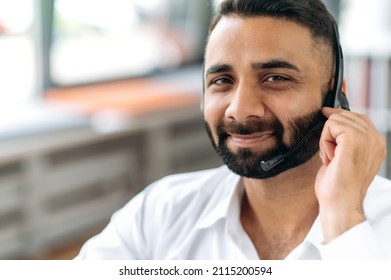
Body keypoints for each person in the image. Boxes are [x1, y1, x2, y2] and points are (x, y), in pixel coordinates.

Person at [76, 0, 391, 260]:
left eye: (275, 78)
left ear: (336, 95)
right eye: (221, 81)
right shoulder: (160, 213)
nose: (239, 109)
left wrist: (344, 220)